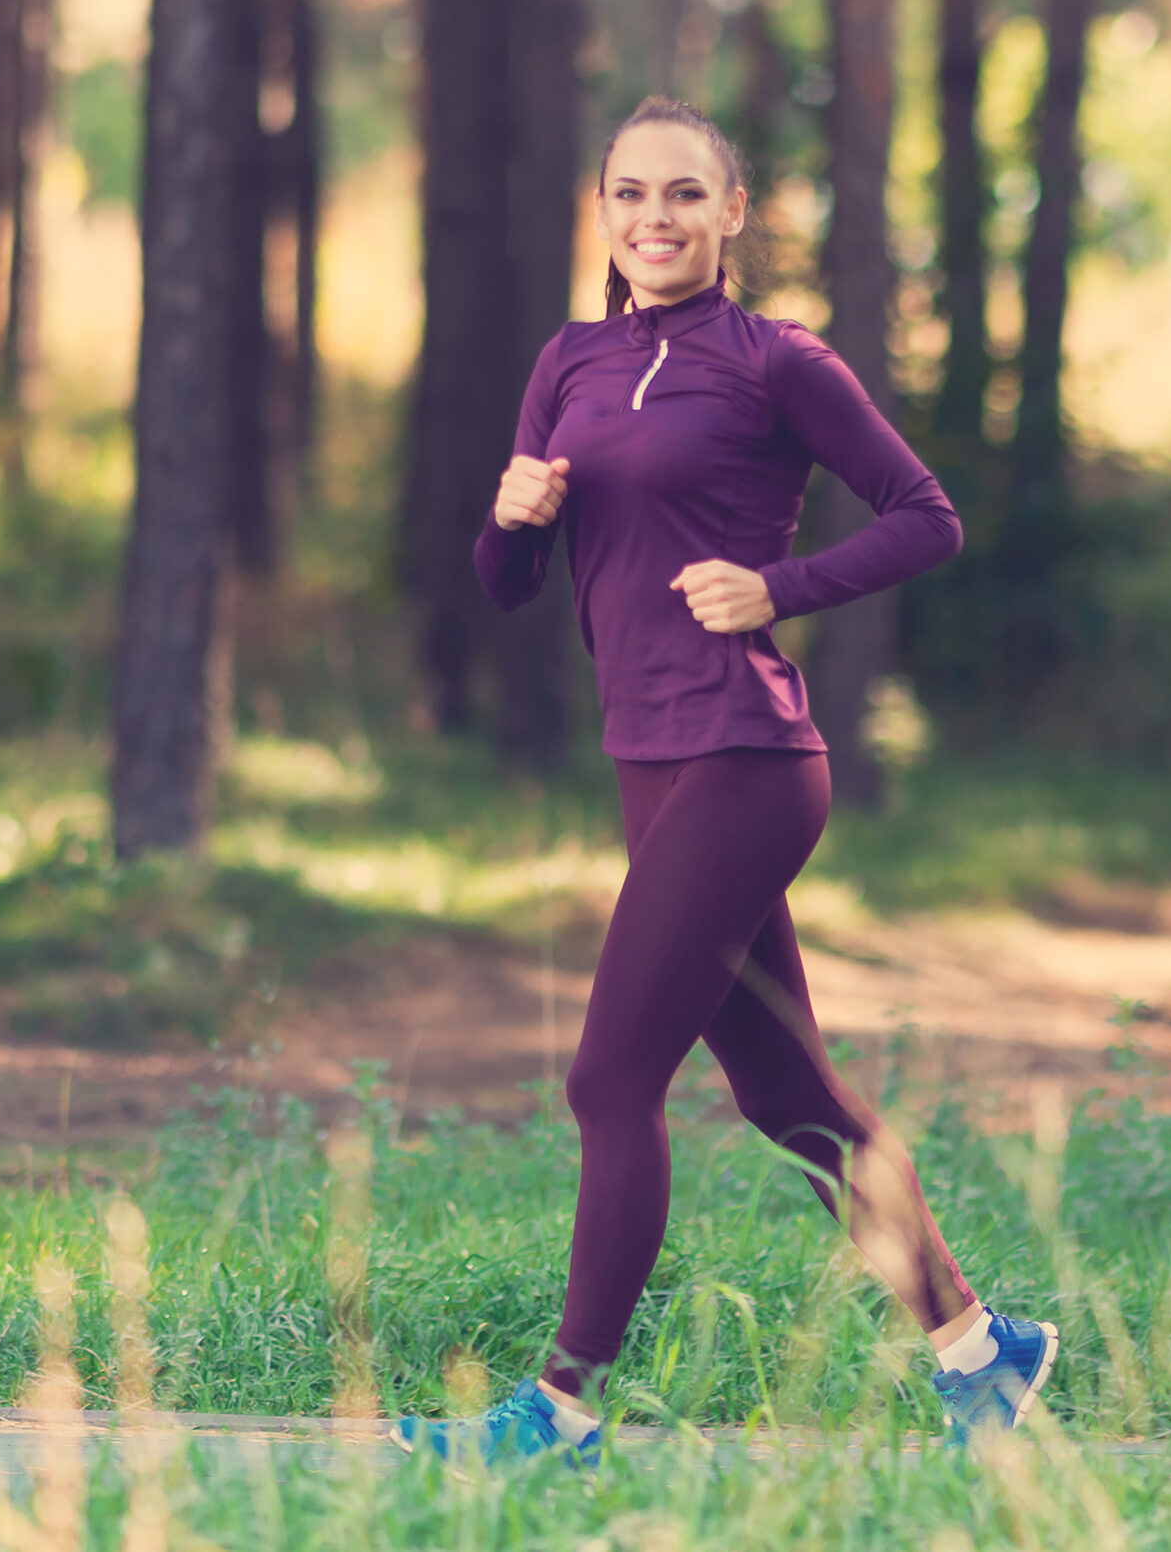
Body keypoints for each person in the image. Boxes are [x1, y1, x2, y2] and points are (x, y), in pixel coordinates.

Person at [390, 97, 1055, 1465]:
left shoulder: (777, 363)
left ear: (733, 213)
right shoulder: (569, 360)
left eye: (685, 195)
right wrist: (508, 524)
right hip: (648, 754)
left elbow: (930, 515)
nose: (655, 219)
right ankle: (984, 1352)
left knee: (607, 1078)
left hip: (749, 758)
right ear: (603, 211)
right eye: (630, 194)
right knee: (788, 1097)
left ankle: (560, 1407)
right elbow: (509, 585)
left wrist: (781, 589)